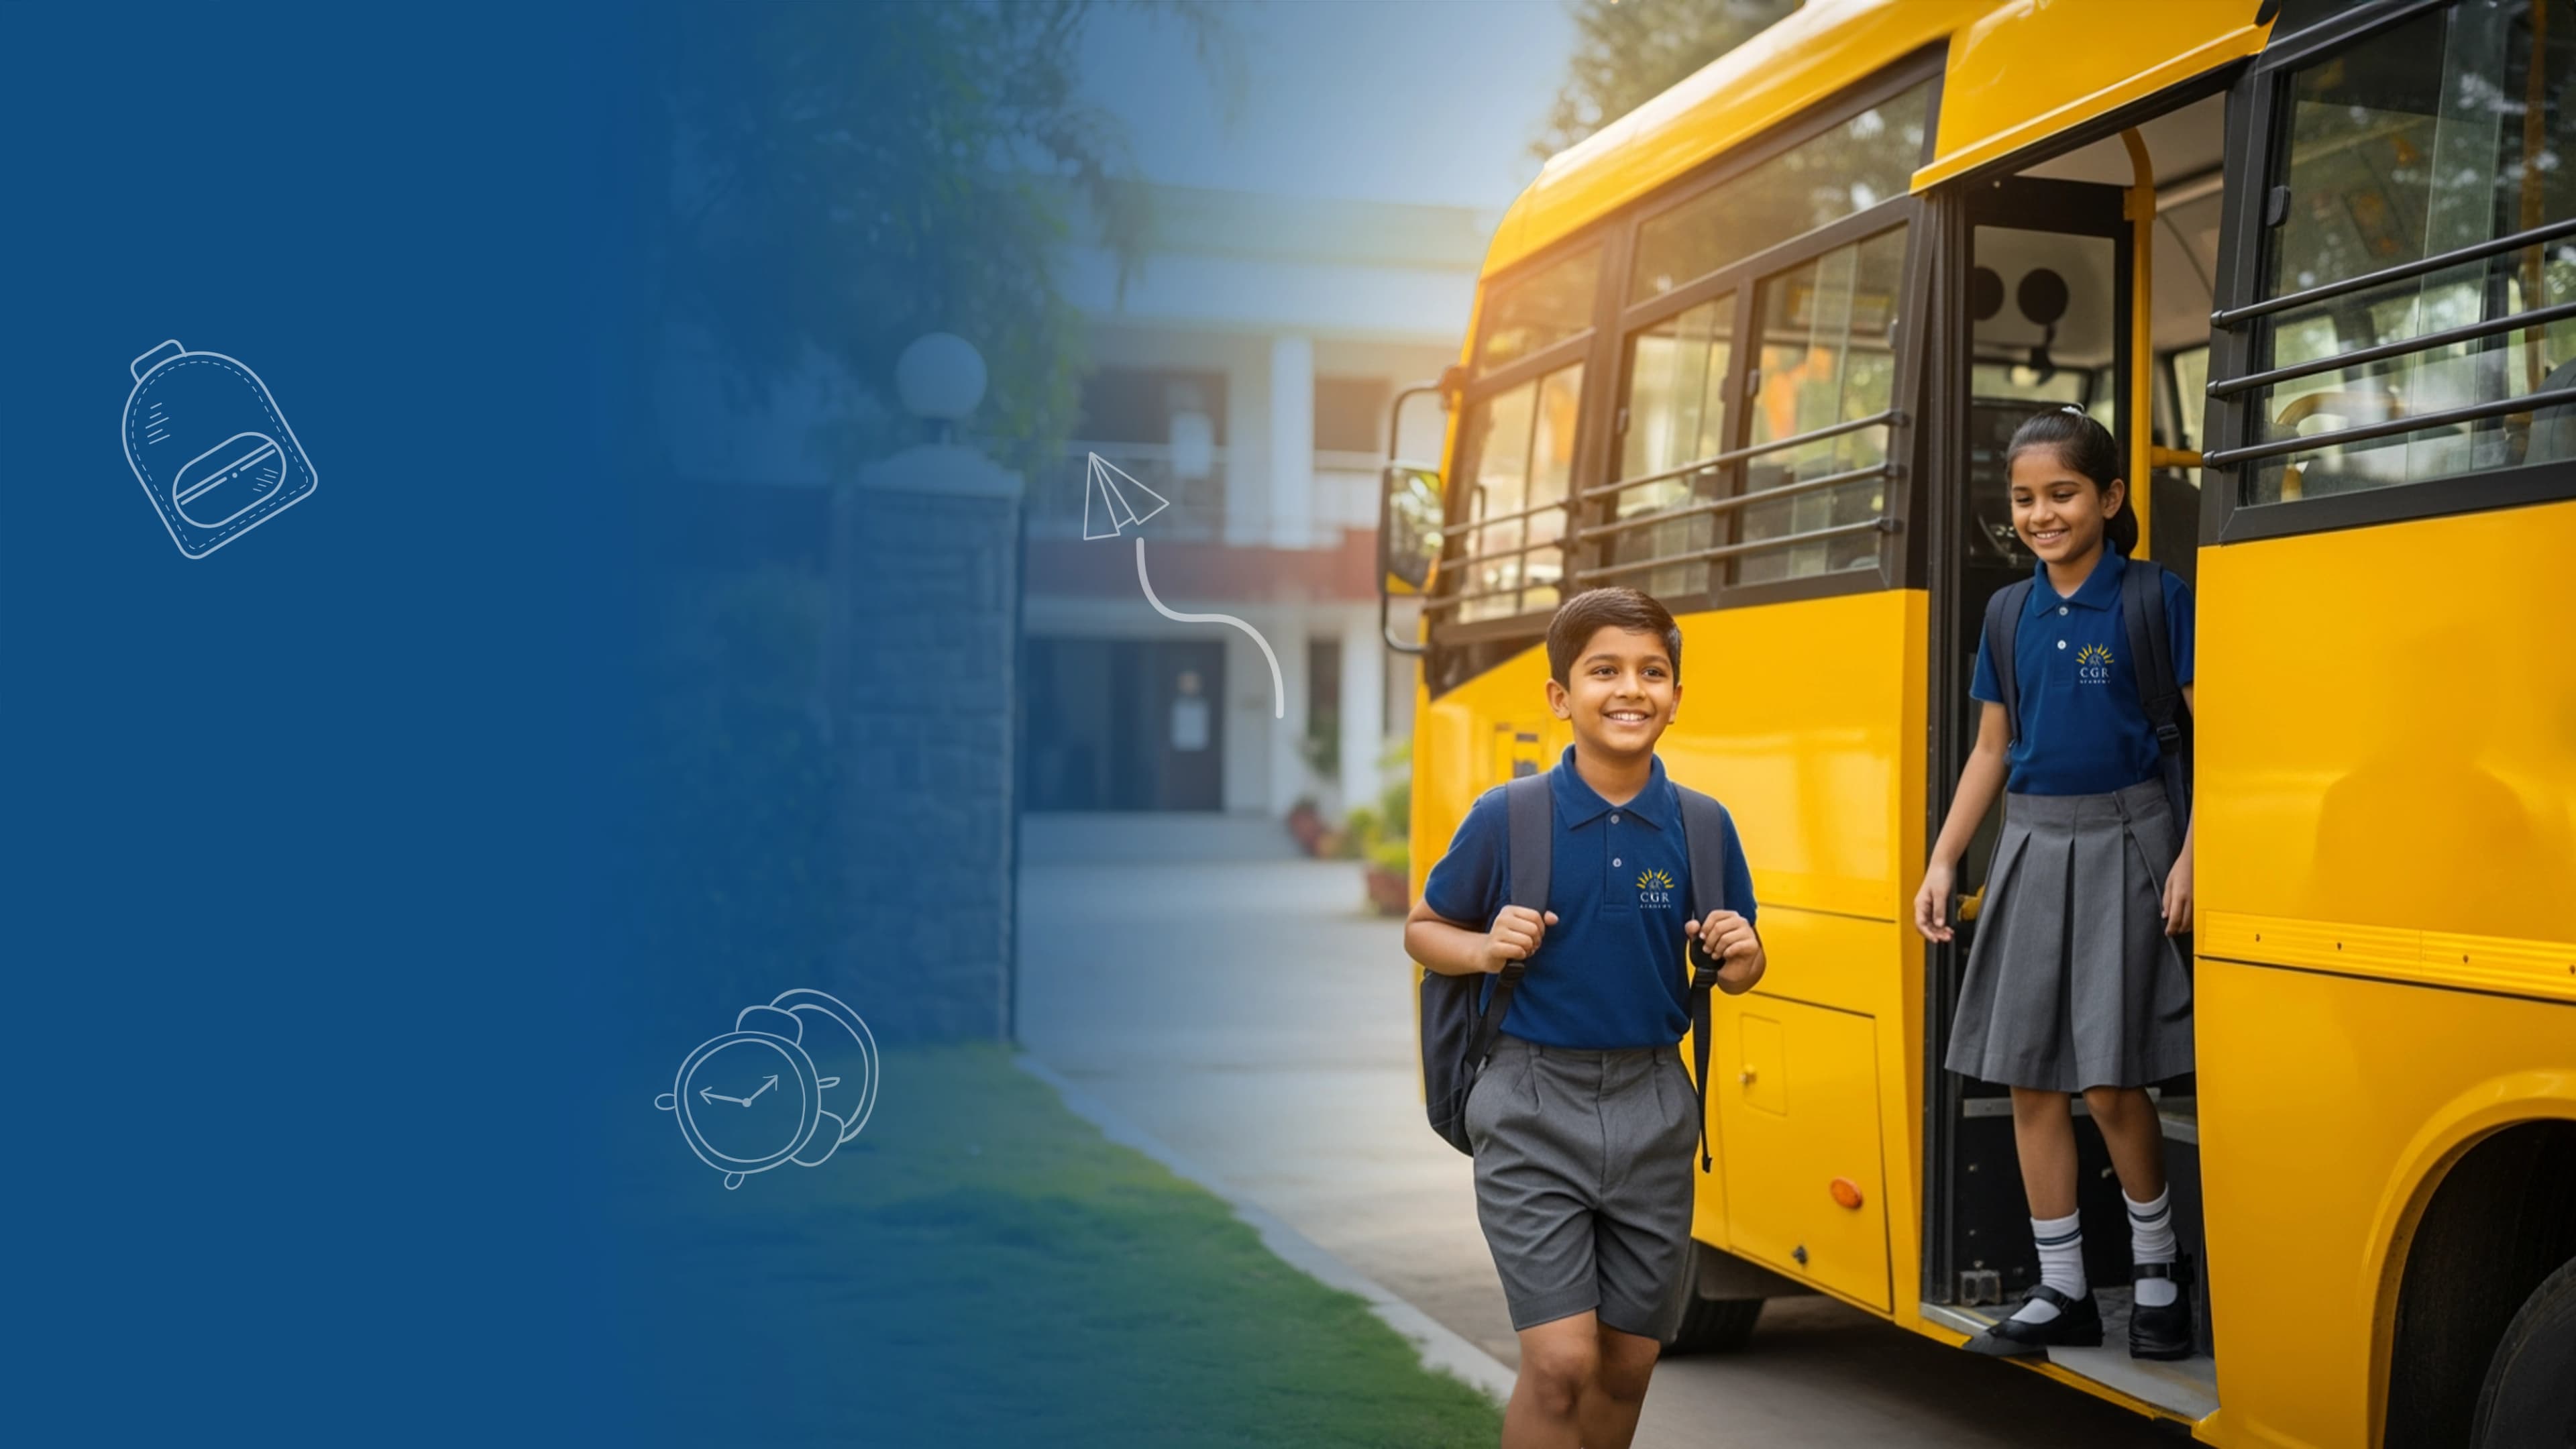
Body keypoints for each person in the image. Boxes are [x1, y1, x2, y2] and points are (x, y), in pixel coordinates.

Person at [1405, 587, 1764, 1449]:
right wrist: (1487, 948)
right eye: (1604, 670)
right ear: (1562, 697)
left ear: (1677, 696)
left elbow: (1742, 967)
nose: (1630, 689)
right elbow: (1424, 930)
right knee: (1563, 1360)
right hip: (1531, 1104)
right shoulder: (1508, 817)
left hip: (1653, 1103)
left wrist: (1742, 950)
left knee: (1628, 1364)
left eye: (1652, 672)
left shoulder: (1702, 826)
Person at [1914, 406, 2198, 1361]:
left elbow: (2218, 740)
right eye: (2025, 499)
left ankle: (2160, 1274)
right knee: (2032, 1077)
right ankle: (2062, 1287)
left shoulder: (2157, 598)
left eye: (2064, 494)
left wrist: (2196, 853)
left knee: (2114, 1080)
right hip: (2030, 847)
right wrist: (1947, 857)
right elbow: (1993, 749)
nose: (2042, 514)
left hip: (2132, 837)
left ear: (2110, 498)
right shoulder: (2007, 611)